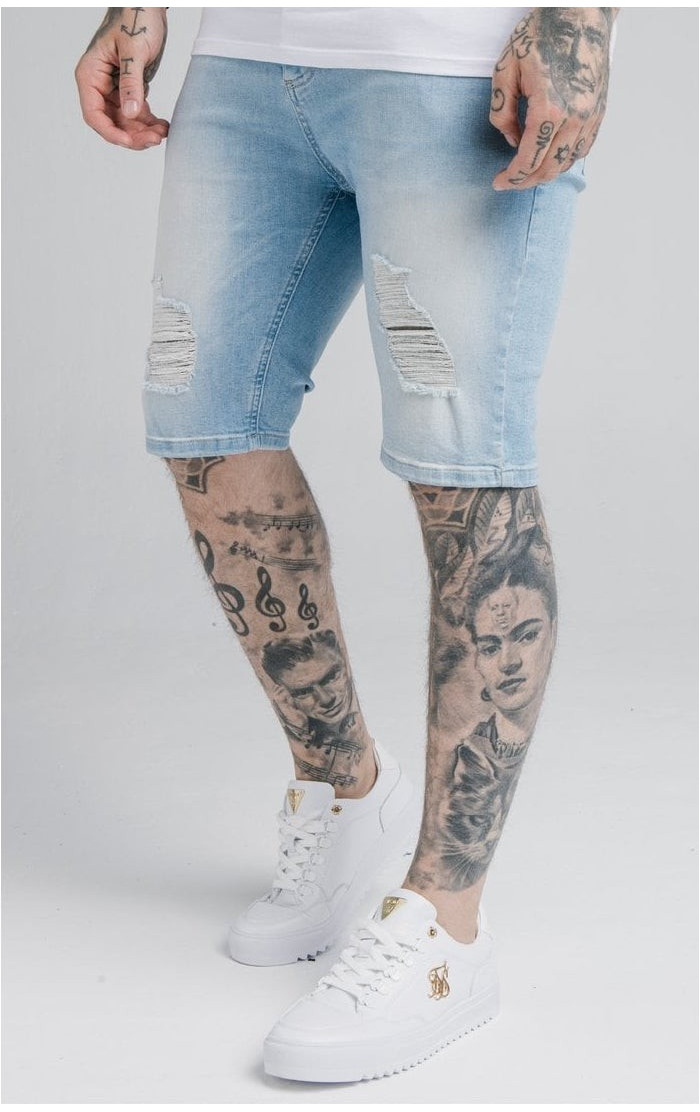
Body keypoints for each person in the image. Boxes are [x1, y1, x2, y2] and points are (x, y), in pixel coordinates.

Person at [75, 5, 619, 1084]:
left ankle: (446, 928)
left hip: (450, 65)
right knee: (204, 427)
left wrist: (579, 15)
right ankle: (348, 797)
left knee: (462, 466)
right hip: (245, 62)